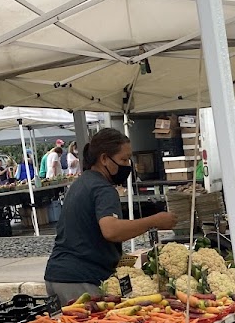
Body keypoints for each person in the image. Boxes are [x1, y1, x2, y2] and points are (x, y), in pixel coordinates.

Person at [44, 128, 177, 308]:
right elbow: (111, 230)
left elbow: (91, 238)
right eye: (123, 159)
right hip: (81, 280)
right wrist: (155, 221)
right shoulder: (103, 189)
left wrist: (135, 260)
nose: (128, 165)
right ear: (104, 159)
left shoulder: (80, 183)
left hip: (57, 277)